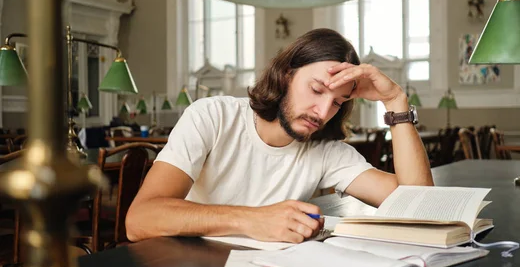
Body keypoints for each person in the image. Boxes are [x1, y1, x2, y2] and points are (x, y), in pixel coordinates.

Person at [126, 28, 433, 243]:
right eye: (316, 90)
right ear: (287, 74)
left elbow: (419, 205)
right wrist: (251, 220)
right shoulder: (211, 116)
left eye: (338, 103)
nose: (323, 112)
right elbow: (140, 219)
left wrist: (395, 101)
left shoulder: (325, 150)